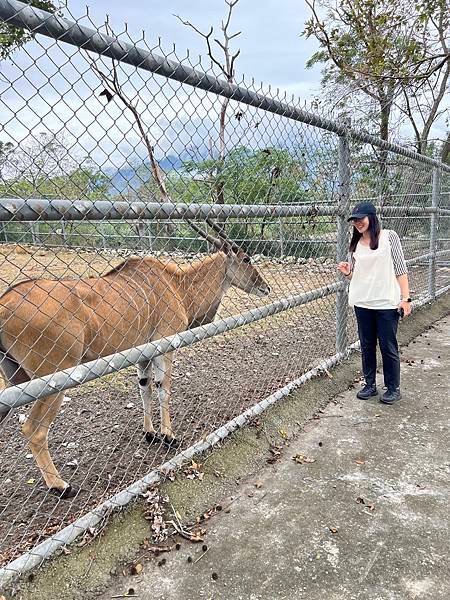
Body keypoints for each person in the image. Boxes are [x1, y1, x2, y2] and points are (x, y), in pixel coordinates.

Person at [337, 202, 412, 404]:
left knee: (388, 346)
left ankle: (393, 388)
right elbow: (359, 275)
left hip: (387, 302)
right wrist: (348, 273)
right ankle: (370, 385)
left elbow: (400, 269)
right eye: (354, 220)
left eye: (361, 218)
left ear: (372, 217)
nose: (358, 223)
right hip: (363, 302)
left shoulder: (389, 237)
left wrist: (405, 298)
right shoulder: (355, 245)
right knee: (367, 345)